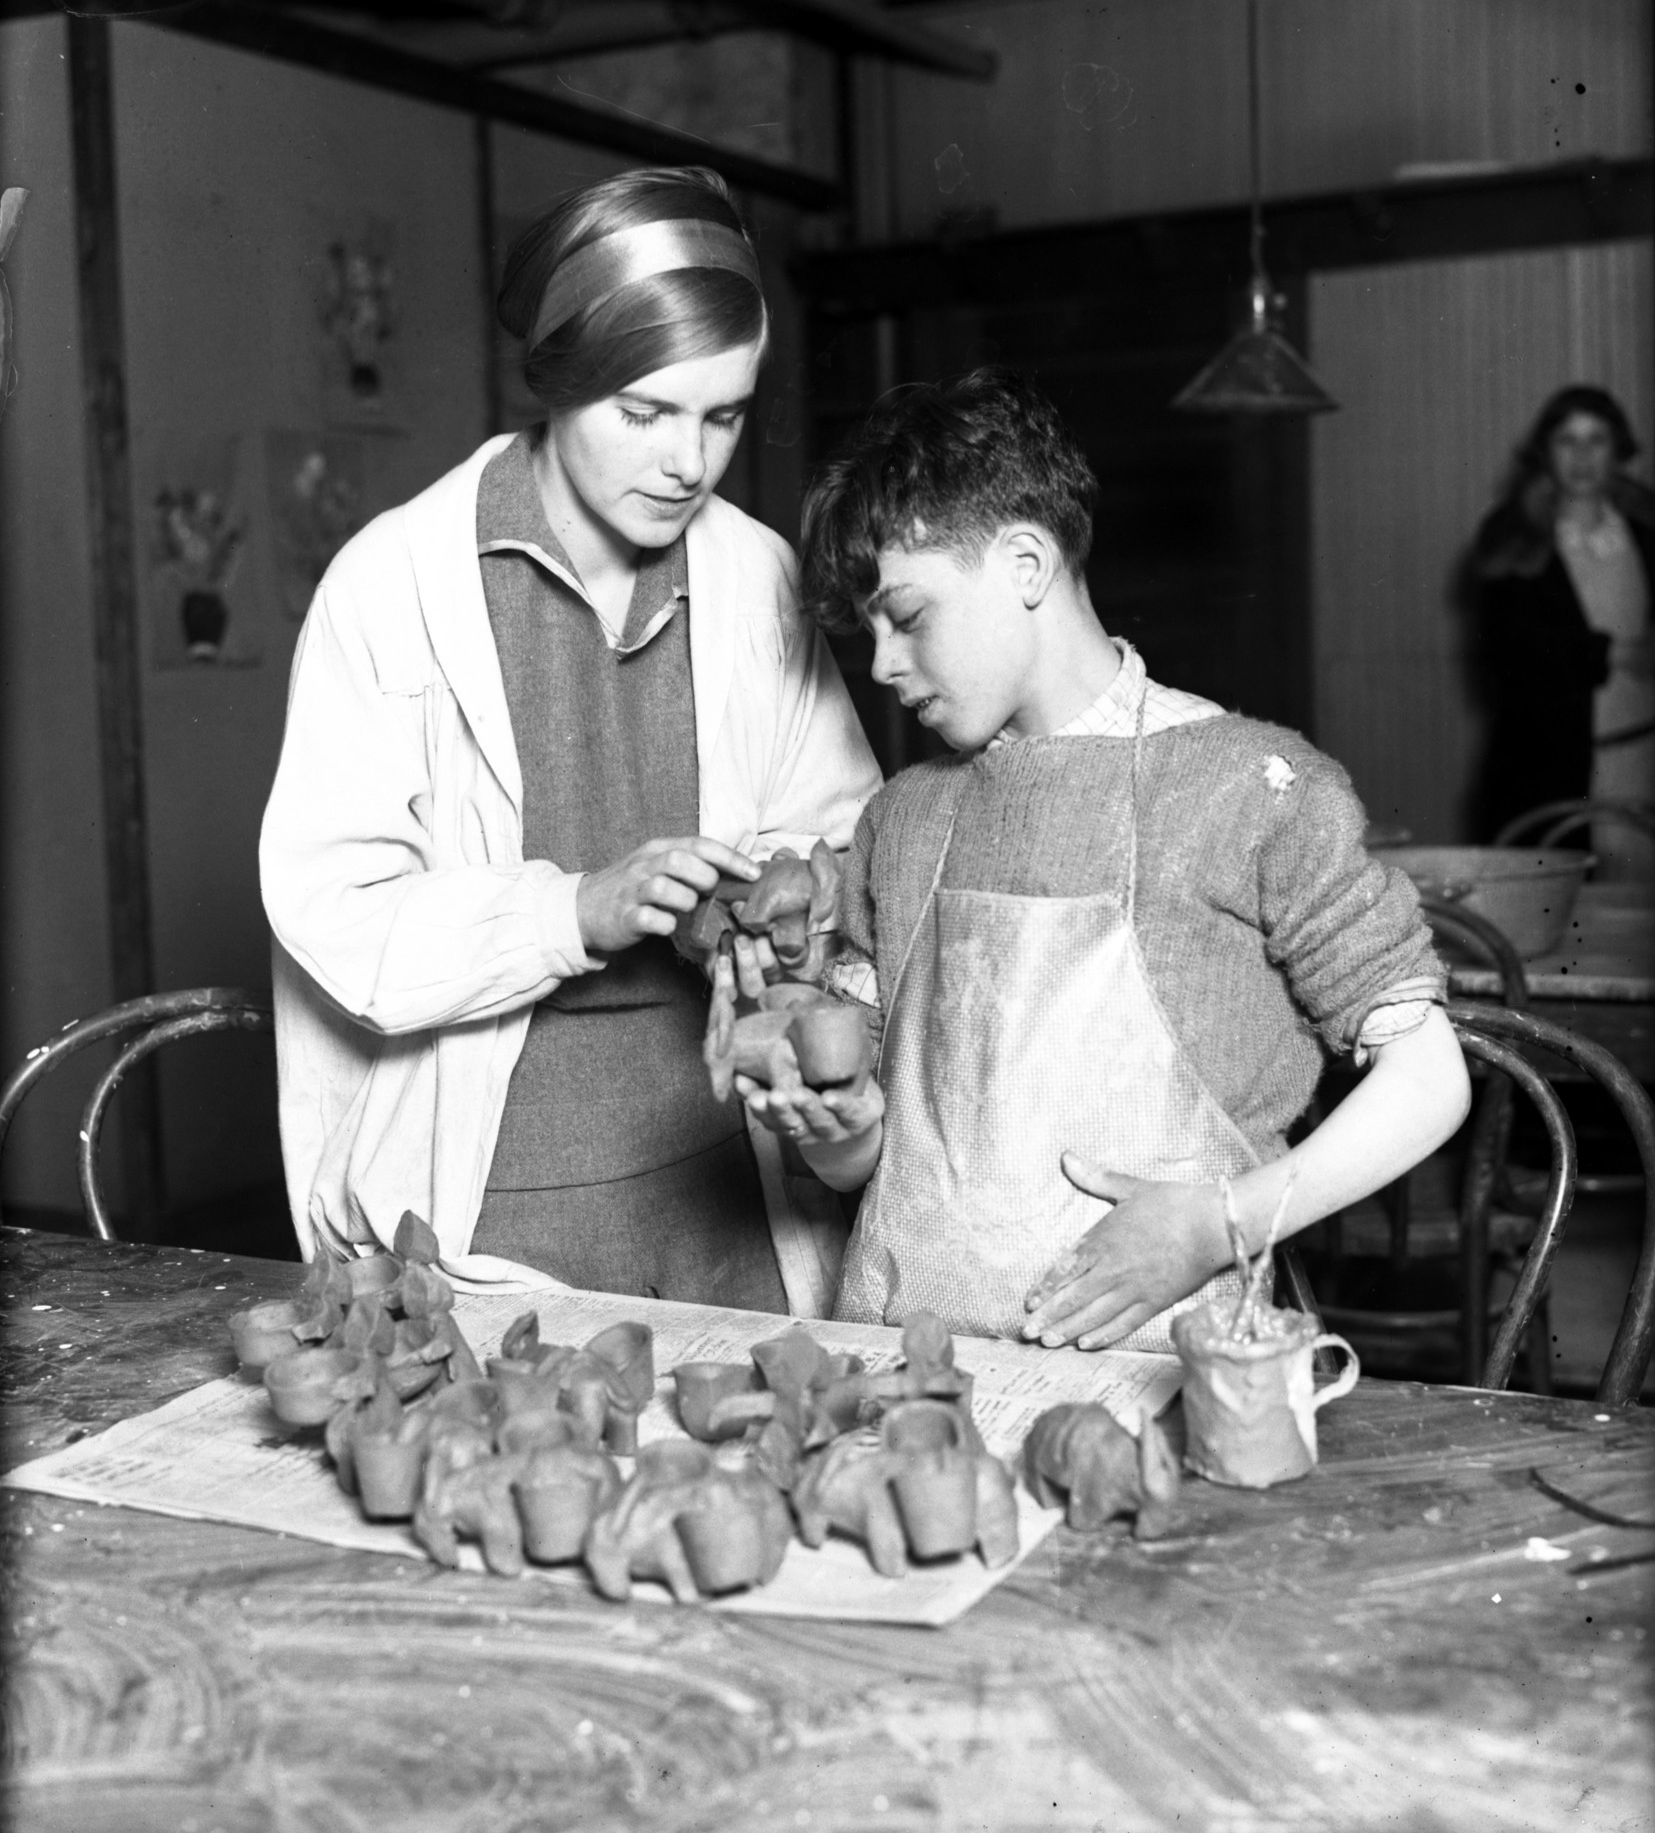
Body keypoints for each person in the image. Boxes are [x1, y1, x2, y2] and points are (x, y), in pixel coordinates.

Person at [737, 367, 1471, 1351]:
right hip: (899, 1366)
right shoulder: (901, 819)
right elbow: (871, 1158)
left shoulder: (1253, 785)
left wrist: (1219, 1223)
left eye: (906, 617)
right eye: (865, 629)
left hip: (1148, 1372)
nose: (877, 664)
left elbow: (1430, 1078)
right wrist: (835, 1131)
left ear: (1027, 563)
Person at [261, 166, 880, 1313]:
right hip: (492, 1226)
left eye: (723, 415)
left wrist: (792, 884)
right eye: (644, 413)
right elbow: (336, 916)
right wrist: (573, 910)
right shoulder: (391, 585)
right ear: (558, 381)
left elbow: (848, 835)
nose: (688, 462)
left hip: (726, 1214)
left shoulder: (756, 579)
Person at [1464, 385, 1654, 875]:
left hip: (1638, 758)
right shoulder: (1510, 540)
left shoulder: (1644, 530)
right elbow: (1504, 654)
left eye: (1597, 440)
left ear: (1619, 450)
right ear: (1545, 452)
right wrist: (1605, 654)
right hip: (1548, 769)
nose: (1583, 456)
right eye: (1568, 440)